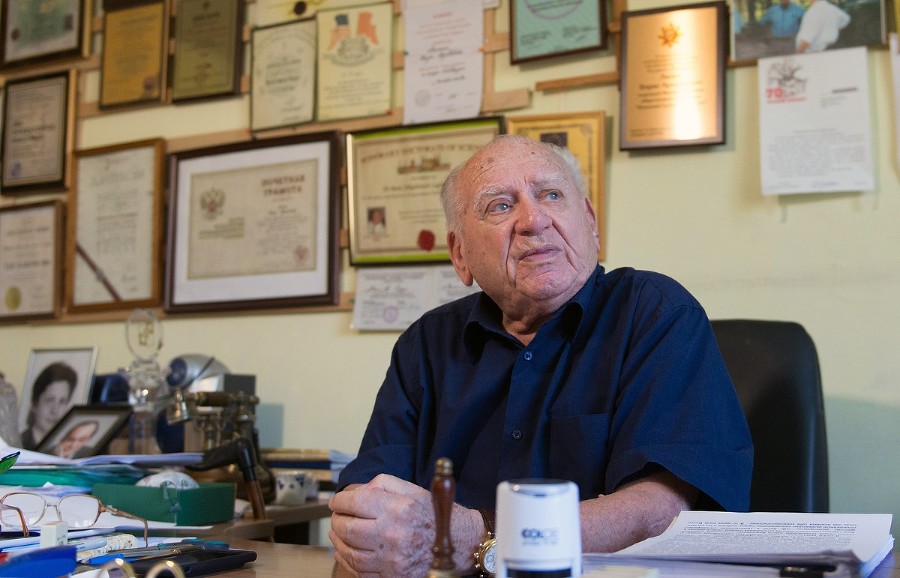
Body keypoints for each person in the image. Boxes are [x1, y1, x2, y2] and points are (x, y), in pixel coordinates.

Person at [329, 135, 753, 577]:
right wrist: (369, 532)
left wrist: (482, 539)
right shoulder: (425, 345)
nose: (534, 220)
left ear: (590, 222)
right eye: (500, 206)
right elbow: (368, 511)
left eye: (551, 195)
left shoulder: (655, 312)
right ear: (460, 254)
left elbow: (662, 510)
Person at [19, 362, 78, 450]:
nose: (55, 411)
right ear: (35, 403)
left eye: (62, 402)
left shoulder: (68, 449)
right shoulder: (18, 445)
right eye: (50, 400)